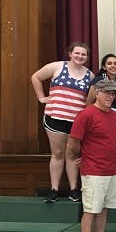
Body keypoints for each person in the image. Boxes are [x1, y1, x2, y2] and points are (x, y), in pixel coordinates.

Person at [66, 79, 116, 232]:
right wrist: (78, 157)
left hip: (112, 169)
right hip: (93, 170)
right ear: (97, 93)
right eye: (106, 92)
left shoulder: (114, 116)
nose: (110, 96)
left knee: (104, 207)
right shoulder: (86, 114)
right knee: (90, 209)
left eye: (113, 93)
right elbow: (73, 142)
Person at [31, 42, 94, 203]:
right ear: (70, 53)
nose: (80, 56)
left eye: (83, 54)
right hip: (55, 118)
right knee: (58, 154)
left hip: (76, 121)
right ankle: (54, 190)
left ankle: (74, 190)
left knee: (72, 154)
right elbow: (36, 77)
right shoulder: (57, 67)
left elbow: (90, 99)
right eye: (77, 53)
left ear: (87, 57)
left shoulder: (90, 76)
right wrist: (41, 97)